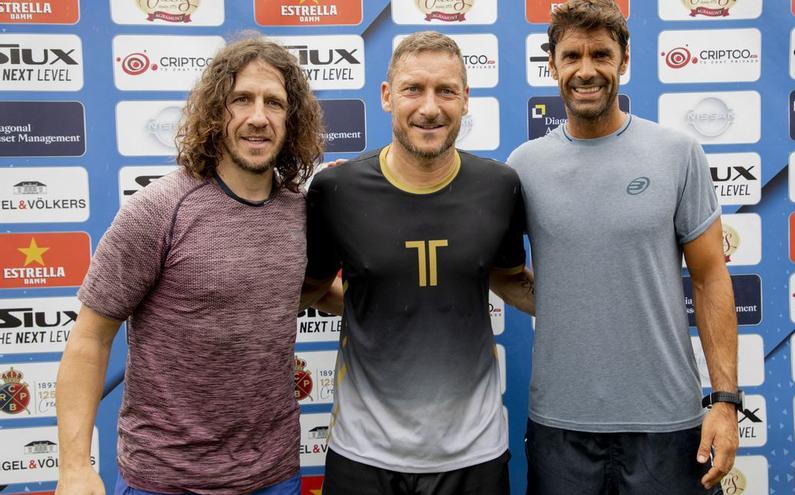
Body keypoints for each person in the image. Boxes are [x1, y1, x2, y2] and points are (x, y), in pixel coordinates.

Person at [55, 36, 324, 495]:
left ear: (290, 118)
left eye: (273, 103)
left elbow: (300, 290)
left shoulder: (301, 212)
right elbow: (90, 339)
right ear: (217, 111)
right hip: (165, 479)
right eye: (242, 99)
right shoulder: (159, 209)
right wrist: (75, 468)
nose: (257, 117)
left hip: (273, 474)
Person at [507, 1, 740, 493]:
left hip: (670, 424)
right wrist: (567, 301)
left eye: (601, 55)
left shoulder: (678, 154)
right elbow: (504, 274)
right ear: (552, 64)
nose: (586, 70)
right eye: (571, 56)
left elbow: (710, 277)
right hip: (560, 426)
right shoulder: (524, 165)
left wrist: (724, 401)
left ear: (624, 60)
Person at [300, 31, 534, 495]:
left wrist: (600, 304)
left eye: (446, 90)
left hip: (474, 452)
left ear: (466, 99)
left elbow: (509, 280)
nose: (430, 108)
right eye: (413, 89)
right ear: (387, 96)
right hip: (363, 452)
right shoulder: (336, 191)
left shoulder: (499, 186)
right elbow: (310, 291)